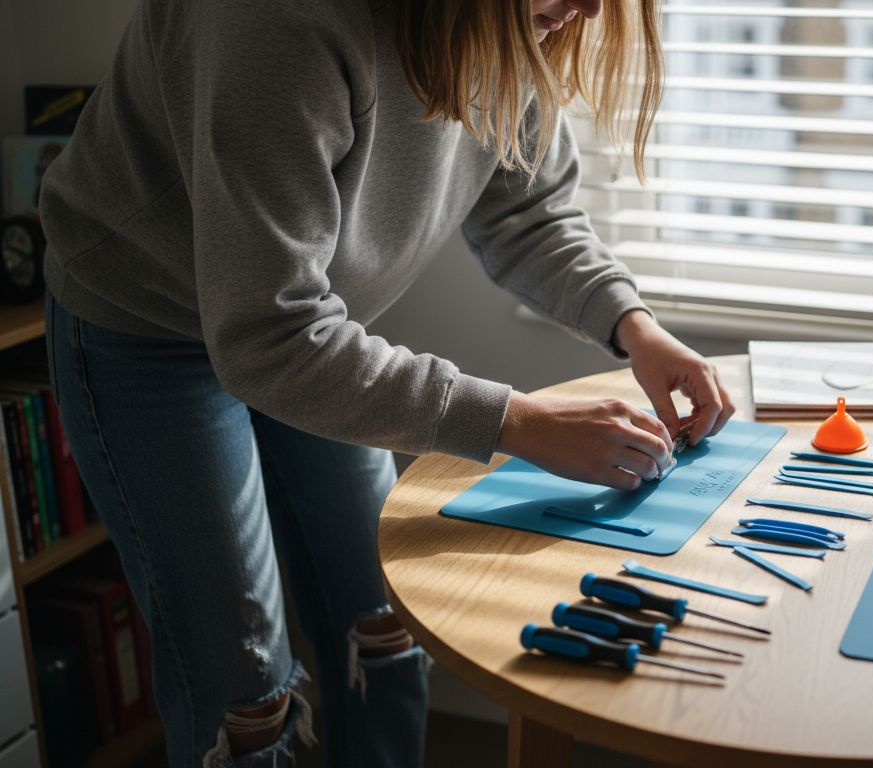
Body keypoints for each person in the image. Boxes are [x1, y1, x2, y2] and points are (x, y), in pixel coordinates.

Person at [37, 0, 733, 765]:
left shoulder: (522, 21)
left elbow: (526, 212)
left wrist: (636, 328)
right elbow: (268, 338)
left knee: (384, 624)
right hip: (150, 328)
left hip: (311, 328)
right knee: (246, 697)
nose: (591, 7)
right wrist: (523, 425)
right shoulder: (278, 23)